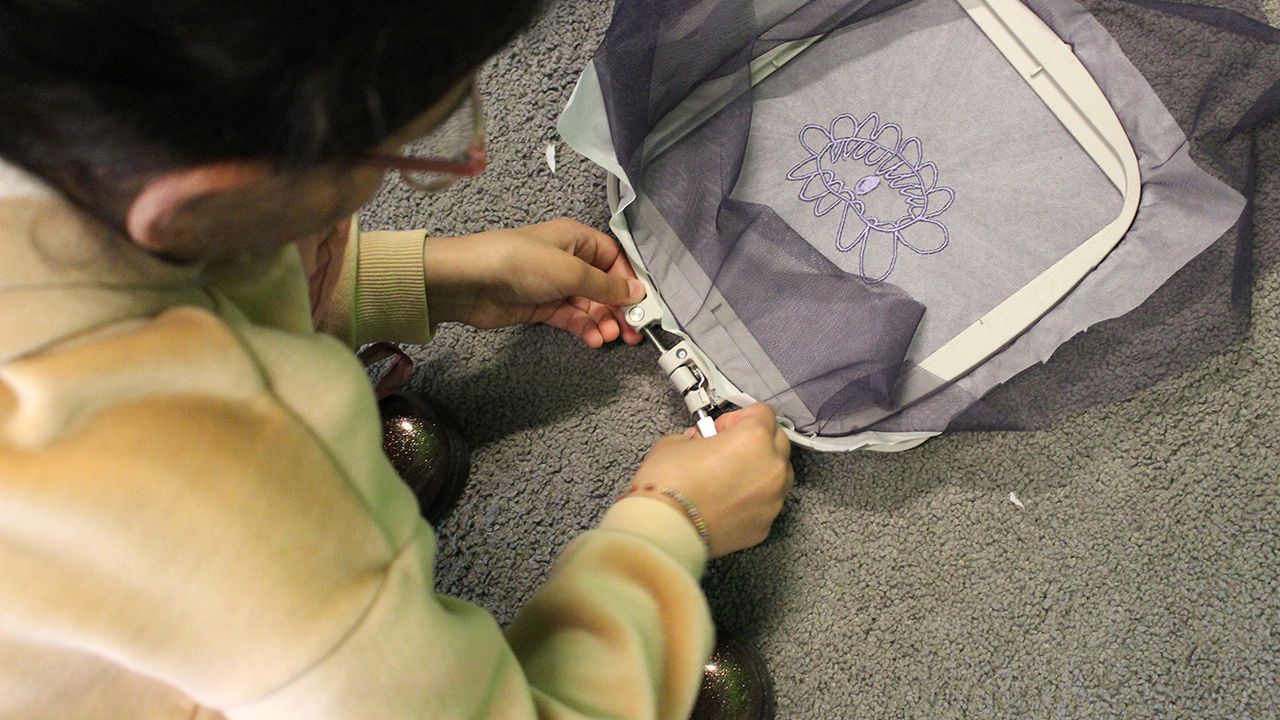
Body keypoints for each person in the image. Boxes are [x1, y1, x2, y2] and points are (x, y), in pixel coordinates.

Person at [0, 1, 794, 718]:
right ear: (198, 202)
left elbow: (191, 269)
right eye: (402, 151)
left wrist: (423, 280)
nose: (471, 160)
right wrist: (667, 534)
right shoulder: (225, 482)